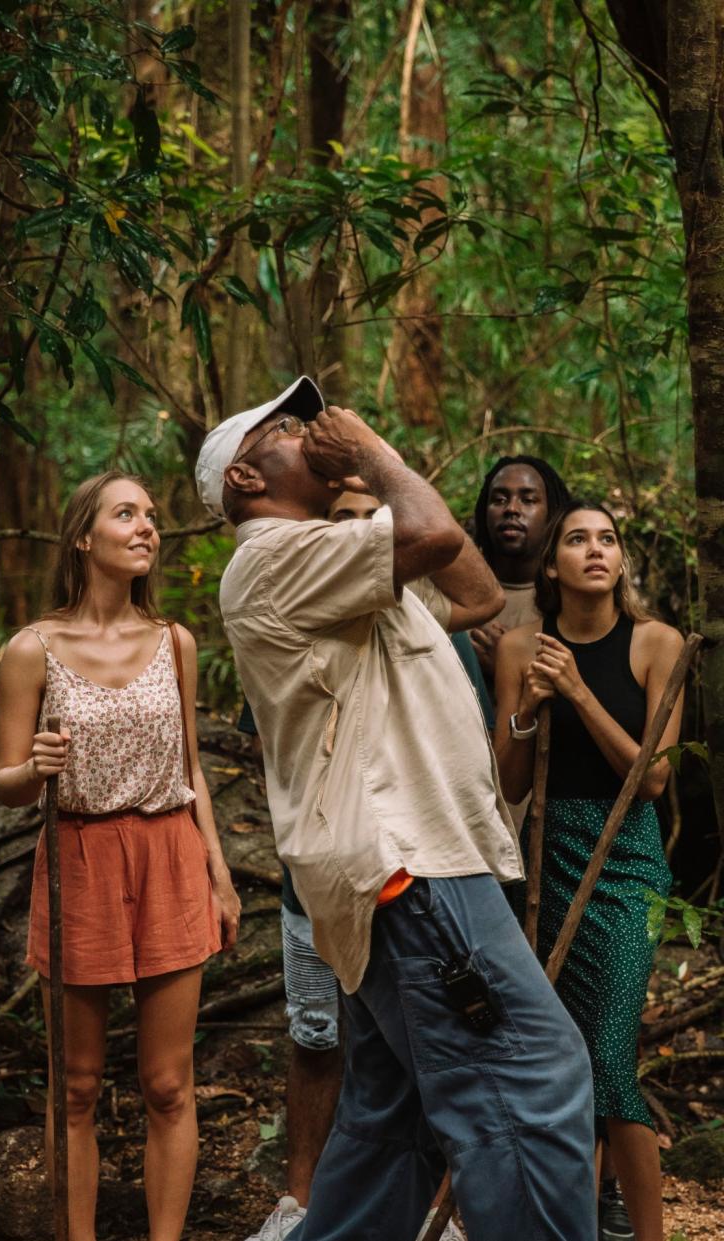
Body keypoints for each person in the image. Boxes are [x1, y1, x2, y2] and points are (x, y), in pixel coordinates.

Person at [195, 377, 597, 1241]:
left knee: (391, 1127)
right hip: (410, 866)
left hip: (411, 866)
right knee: (533, 1081)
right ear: (244, 479)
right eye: (285, 429)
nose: (310, 431)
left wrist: (368, 486)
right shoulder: (271, 559)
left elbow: (480, 593)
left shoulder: (338, 559)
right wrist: (376, 454)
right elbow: (434, 530)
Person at [0, 470, 240, 1241]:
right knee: (76, 1087)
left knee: (168, 1082)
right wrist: (33, 768)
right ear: (82, 537)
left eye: (151, 517)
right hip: (81, 858)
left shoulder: (176, 642)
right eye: (125, 514)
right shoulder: (31, 648)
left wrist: (220, 874)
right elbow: (6, 785)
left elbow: (193, 767)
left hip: (169, 854)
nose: (146, 528)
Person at [243, 485, 484, 1241]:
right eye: (340, 521)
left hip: (414, 881)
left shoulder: (426, 623)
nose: (357, 533)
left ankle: (432, 1210)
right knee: (318, 1035)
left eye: (369, 520)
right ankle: (303, 1203)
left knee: (416, 1049)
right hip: (318, 877)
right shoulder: (296, 615)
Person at [493, 500, 684, 1241]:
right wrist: (529, 711)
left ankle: (647, 1232)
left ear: (621, 561)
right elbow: (507, 784)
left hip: (628, 856)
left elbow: (655, 781)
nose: (596, 550)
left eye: (607, 539)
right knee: (562, 1060)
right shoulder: (518, 648)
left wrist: (577, 689)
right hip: (549, 858)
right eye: (577, 539)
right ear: (552, 564)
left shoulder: (655, 643)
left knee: (607, 1056)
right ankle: (575, 1221)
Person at [470, 455, 571, 679]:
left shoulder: (570, 600)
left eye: (528, 500)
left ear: (552, 513)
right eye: (499, 499)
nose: (512, 509)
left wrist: (506, 666)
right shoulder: (457, 592)